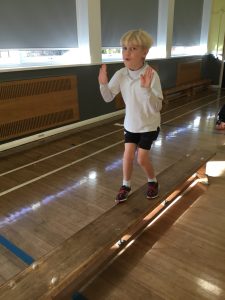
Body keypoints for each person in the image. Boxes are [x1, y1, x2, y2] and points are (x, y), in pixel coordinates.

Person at [98, 29, 163, 204]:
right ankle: (126, 185)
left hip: (149, 124)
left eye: (133, 49)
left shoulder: (151, 75)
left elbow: (157, 106)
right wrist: (103, 84)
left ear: (144, 52)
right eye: (124, 48)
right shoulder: (121, 74)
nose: (127, 52)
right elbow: (108, 97)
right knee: (127, 156)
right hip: (131, 124)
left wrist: (147, 90)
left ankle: (153, 181)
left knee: (141, 158)